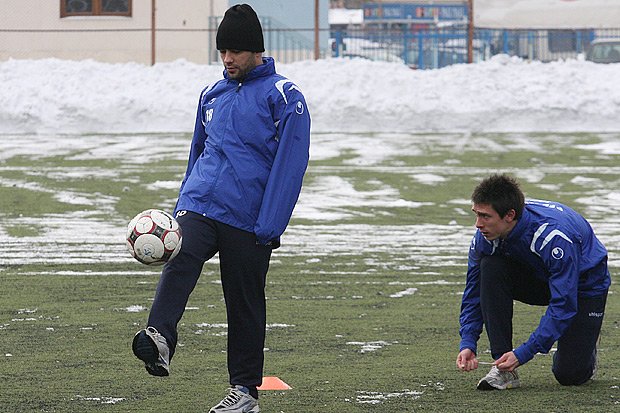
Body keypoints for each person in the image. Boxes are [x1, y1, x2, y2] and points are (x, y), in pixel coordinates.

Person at [131, 4, 311, 412]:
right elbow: (197, 152)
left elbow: (291, 163)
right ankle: (159, 337)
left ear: (256, 51)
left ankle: (244, 393)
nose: (227, 59)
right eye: (222, 52)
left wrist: (271, 223)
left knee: (244, 302)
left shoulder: (284, 96)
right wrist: (180, 206)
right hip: (200, 205)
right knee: (179, 257)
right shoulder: (211, 94)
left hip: (250, 217)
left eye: (234, 51)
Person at [456, 174, 610, 390]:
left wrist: (523, 353)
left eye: (485, 216)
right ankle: (503, 369)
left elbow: (564, 303)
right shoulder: (485, 237)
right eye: (476, 214)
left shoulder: (554, 237)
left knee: (570, 375)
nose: (477, 224)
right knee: (490, 268)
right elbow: (473, 292)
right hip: (537, 276)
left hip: (583, 286)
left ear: (509, 215)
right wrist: (468, 342)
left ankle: (587, 346)